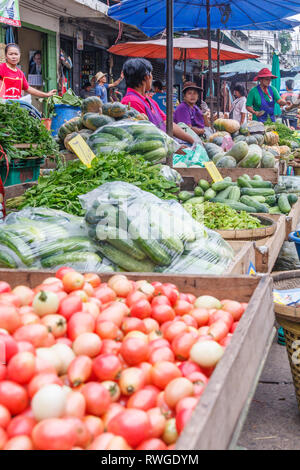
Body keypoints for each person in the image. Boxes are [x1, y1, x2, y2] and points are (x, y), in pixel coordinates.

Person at [121, 58, 195, 145]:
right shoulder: (131, 102)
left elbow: (167, 123)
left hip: (163, 147)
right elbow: (143, 136)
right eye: (151, 74)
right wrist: (173, 148)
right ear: (146, 77)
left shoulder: (150, 101)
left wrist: (193, 141)